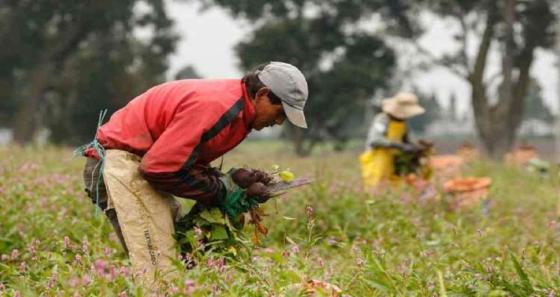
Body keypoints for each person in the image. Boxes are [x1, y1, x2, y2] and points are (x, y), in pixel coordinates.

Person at [79, 61, 309, 289]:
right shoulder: (218, 106)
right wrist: (221, 191)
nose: (279, 121)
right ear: (263, 94)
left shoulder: (239, 112)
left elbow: (184, 159)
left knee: (180, 254)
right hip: (119, 163)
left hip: (138, 163)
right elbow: (158, 168)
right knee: (159, 272)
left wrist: (232, 179)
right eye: (280, 112)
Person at [359, 92, 425, 188]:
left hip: (392, 163)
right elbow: (375, 140)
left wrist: (415, 147)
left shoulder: (403, 123)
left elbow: (406, 141)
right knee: (375, 190)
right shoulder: (382, 119)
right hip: (377, 162)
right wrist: (399, 146)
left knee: (392, 191)